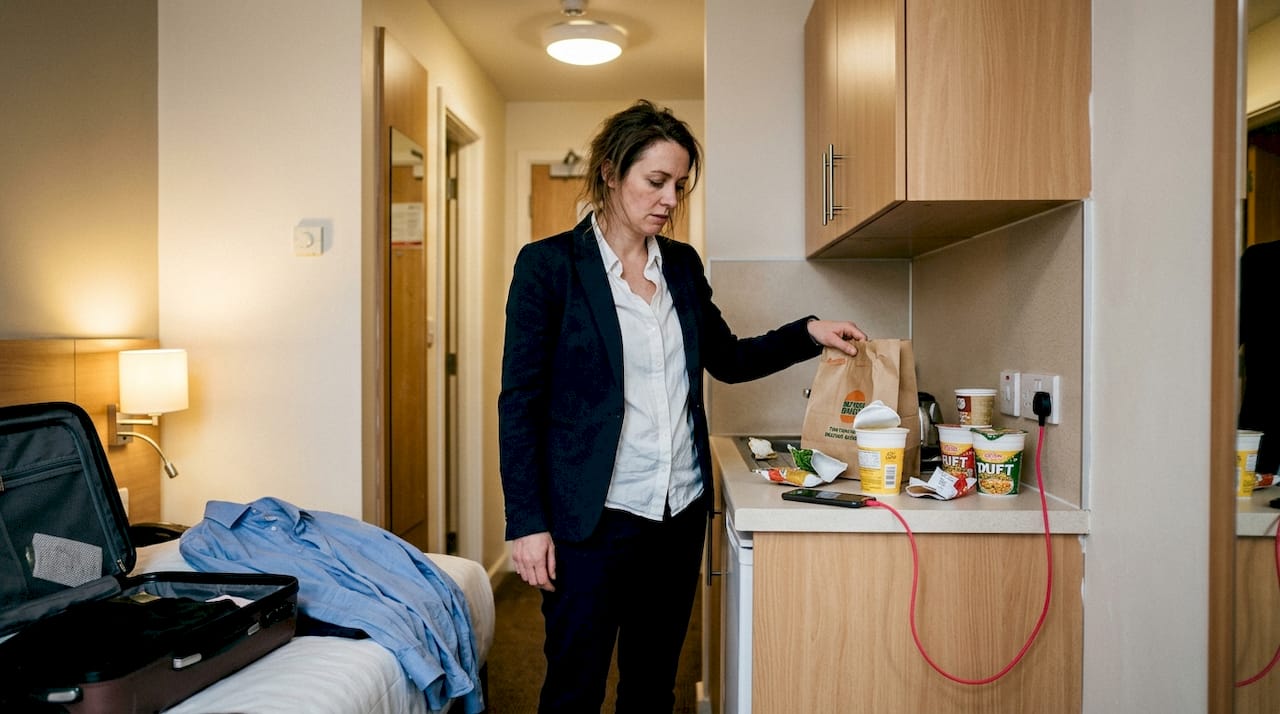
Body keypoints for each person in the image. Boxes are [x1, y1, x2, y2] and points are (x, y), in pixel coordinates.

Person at [498, 99, 867, 713]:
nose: (669, 199)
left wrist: (808, 333)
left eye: (680, 185)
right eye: (656, 181)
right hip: (589, 520)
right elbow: (520, 403)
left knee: (652, 685)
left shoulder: (683, 266)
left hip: (676, 513)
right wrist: (526, 523)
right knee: (574, 685)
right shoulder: (548, 268)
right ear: (612, 173)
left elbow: (728, 358)